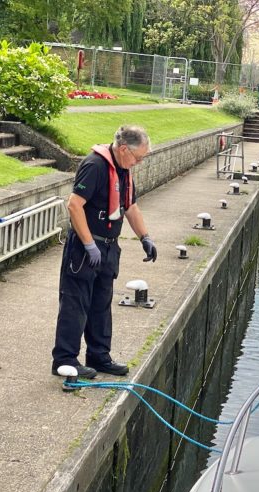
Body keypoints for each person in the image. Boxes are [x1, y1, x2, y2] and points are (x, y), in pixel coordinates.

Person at [51, 125, 157, 379]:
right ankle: (65, 360)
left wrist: (145, 237)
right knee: (75, 305)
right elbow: (74, 205)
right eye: (138, 157)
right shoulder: (95, 166)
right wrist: (89, 244)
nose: (139, 162)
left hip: (109, 248)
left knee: (101, 305)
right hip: (85, 249)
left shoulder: (124, 171)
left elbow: (130, 206)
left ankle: (99, 356)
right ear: (123, 149)